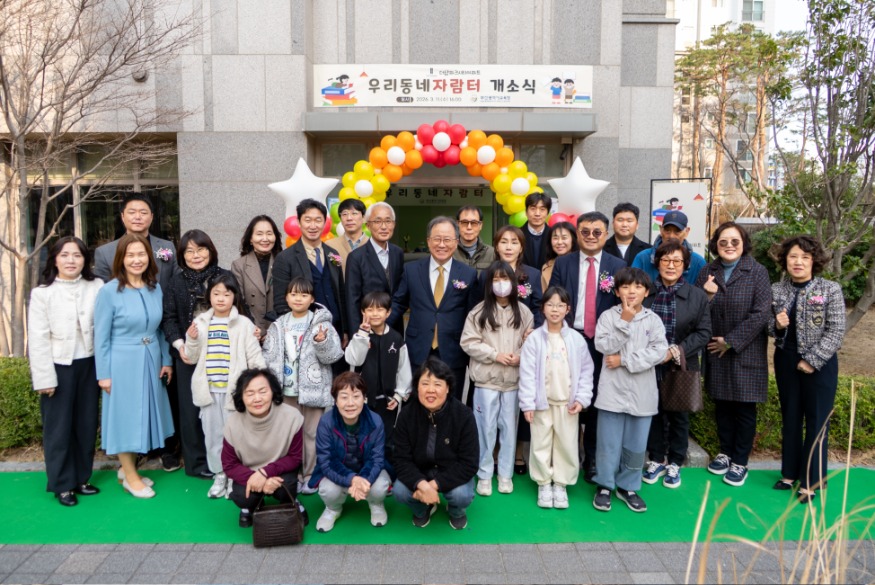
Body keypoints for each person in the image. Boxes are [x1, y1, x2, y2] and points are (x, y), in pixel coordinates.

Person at [93, 192, 181, 472]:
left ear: (152, 217)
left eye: (144, 212)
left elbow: (169, 297)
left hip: (153, 346)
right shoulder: (107, 271)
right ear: (122, 217)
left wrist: (166, 357)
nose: (138, 216)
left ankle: (162, 450)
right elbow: (101, 333)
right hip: (123, 352)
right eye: (132, 211)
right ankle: (131, 465)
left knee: (154, 404)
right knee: (127, 411)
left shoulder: (163, 260)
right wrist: (103, 373)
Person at [548, 211, 626, 483]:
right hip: (569, 337)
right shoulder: (564, 262)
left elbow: (622, 303)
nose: (591, 237)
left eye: (597, 232)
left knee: (596, 401)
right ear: (577, 234)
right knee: (566, 396)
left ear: (606, 234)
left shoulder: (617, 265)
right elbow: (554, 299)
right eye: (585, 232)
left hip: (602, 342)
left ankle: (592, 459)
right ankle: (564, 456)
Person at [28, 237, 104, 507]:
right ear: (55, 260)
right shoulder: (43, 293)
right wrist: (44, 378)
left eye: (77, 255)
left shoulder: (97, 286)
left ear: (85, 260)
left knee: (86, 424)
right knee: (58, 428)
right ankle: (62, 484)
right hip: (58, 366)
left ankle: (82, 478)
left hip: (90, 364)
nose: (71, 260)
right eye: (64, 255)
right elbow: (38, 339)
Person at [770, 235, 845, 504]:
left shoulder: (830, 289)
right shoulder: (777, 290)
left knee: (816, 422)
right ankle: (789, 474)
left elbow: (836, 330)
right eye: (793, 256)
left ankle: (811, 481)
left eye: (805, 257)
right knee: (790, 417)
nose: (798, 262)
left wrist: (812, 360)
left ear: (815, 261)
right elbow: (767, 327)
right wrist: (777, 325)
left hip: (820, 365)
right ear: (785, 260)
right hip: (786, 361)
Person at [695, 222, 771, 488]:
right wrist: (707, 296)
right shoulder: (707, 271)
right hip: (715, 350)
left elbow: (761, 313)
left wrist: (731, 341)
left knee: (744, 408)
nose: (729, 246)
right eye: (723, 241)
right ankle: (725, 452)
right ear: (715, 244)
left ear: (743, 243)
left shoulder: (757, 272)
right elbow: (696, 308)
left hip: (745, 351)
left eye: (734, 241)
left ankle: (740, 461)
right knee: (723, 405)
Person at [184, 273, 266, 499]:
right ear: (209, 296)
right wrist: (191, 340)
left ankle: (235, 476)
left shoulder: (244, 324)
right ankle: (219, 474)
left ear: (234, 297)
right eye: (216, 293)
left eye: (227, 294)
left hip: (234, 393)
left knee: (236, 437)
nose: (221, 298)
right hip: (209, 391)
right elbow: (191, 357)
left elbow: (254, 356)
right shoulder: (200, 323)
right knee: (212, 436)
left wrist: (262, 384)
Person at [592, 267, 668, 513]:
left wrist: (624, 360)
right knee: (608, 443)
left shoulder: (653, 320)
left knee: (636, 446)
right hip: (612, 392)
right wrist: (624, 321)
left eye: (638, 286)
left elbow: (659, 352)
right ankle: (605, 485)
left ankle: (628, 487)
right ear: (616, 292)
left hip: (642, 393)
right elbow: (604, 346)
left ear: (646, 292)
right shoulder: (608, 317)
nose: (631, 291)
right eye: (625, 286)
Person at [263, 277, 344, 494]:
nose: (298, 299)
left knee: (312, 434)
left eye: (304, 294)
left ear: (312, 299)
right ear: (286, 298)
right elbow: (268, 357)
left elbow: (333, 356)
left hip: (313, 390)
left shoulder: (322, 323)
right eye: (294, 294)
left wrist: (321, 342)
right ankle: (294, 475)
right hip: (286, 390)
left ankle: (311, 475)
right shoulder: (278, 325)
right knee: (290, 434)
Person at [642, 241, 712, 489]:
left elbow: (704, 332)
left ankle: (675, 461)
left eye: (677, 261)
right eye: (665, 260)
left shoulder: (697, 296)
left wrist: (675, 351)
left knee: (679, 415)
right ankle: (656, 458)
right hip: (649, 364)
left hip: (681, 363)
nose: (670, 266)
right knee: (653, 412)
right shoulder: (646, 292)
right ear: (657, 263)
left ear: (685, 265)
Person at [461, 261, 534, 496]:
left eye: (505, 279)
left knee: (509, 430)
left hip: (513, 381)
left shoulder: (524, 312)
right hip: (486, 380)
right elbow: (468, 342)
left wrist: (519, 356)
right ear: (489, 283)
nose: (501, 284)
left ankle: (505, 474)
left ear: (513, 282)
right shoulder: (478, 312)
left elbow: (531, 343)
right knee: (485, 428)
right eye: (496, 279)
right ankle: (484, 474)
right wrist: (495, 355)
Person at [389, 216, 481, 399]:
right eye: (437, 239)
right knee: (416, 400)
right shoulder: (411, 270)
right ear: (428, 241)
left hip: (453, 349)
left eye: (447, 239)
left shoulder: (468, 274)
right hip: (418, 347)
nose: (442, 244)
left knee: (451, 402)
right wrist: (378, 329)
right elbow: (398, 303)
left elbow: (473, 313)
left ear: (456, 242)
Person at [518, 286, 593, 509]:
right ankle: (543, 483)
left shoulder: (576, 339)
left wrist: (581, 398)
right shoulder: (534, 339)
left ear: (567, 309)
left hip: (567, 404)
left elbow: (586, 371)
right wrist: (527, 404)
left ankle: (561, 484)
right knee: (540, 443)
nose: (555, 309)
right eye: (550, 305)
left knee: (567, 444)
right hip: (541, 403)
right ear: (542, 308)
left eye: (560, 305)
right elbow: (527, 373)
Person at [161, 229, 226, 479]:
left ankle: (225, 460)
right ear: (182, 255)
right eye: (189, 251)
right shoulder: (176, 282)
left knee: (221, 408)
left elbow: (239, 309)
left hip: (222, 353)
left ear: (211, 250)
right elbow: (169, 318)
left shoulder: (224, 277)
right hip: (188, 356)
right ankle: (197, 463)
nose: (196, 255)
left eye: (201, 249)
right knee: (190, 411)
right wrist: (180, 346)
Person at [392, 357, 479, 530]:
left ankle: (456, 511)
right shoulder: (406, 415)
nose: (430, 390)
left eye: (438, 384)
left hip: (450, 471)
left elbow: (469, 463)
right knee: (399, 491)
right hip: (420, 471)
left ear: (448, 388)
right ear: (417, 387)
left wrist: (432, 486)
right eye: (425, 384)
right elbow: (401, 460)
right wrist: (421, 484)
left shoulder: (464, 415)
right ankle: (423, 508)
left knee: (462, 495)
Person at [310, 372, 392, 532]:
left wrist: (363, 479)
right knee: (328, 490)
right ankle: (333, 509)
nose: (350, 403)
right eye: (344, 397)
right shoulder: (326, 422)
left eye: (356, 396)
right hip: (339, 471)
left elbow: (376, 459)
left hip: (367, 473)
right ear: (335, 400)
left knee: (380, 486)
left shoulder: (375, 421)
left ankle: (376, 504)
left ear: (364, 398)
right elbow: (326, 462)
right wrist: (352, 479)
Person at [222, 369, 304, 528]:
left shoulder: (292, 417)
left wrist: (265, 473)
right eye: (250, 393)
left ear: (272, 392)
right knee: (242, 496)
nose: (257, 398)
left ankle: (291, 501)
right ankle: (250, 507)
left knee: (288, 486)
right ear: (241, 396)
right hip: (249, 473)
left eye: (262, 391)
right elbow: (229, 465)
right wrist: (259, 480)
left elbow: (295, 457)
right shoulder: (232, 424)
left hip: (279, 471)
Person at [344, 291, 412, 469]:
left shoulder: (396, 339)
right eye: (370, 309)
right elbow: (353, 360)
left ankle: (385, 473)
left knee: (386, 438)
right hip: (363, 400)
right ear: (363, 312)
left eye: (380, 309)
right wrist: (362, 336)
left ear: (388, 313)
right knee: (361, 436)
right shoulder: (360, 337)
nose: (375, 314)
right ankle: (361, 471)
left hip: (387, 401)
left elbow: (404, 370)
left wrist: (399, 395)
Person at [273, 199, 348, 344]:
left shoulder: (333, 254)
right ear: (299, 223)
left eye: (318, 220)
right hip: (304, 334)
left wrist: (345, 330)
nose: (313, 226)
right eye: (307, 220)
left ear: (325, 223)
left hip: (335, 329)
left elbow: (341, 294)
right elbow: (280, 303)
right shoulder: (285, 258)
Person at [345, 202, 404, 333]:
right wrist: (357, 334)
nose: (384, 227)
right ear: (368, 225)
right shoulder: (356, 257)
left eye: (388, 221)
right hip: (368, 328)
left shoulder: (398, 252)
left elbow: (399, 291)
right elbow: (352, 300)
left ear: (394, 224)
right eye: (377, 221)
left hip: (394, 328)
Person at [231, 215, 282, 341]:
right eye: (259, 234)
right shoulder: (239, 265)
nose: (265, 239)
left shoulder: (283, 262)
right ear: (250, 239)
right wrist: (254, 328)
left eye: (269, 233)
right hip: (251, 333)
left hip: (279, 332)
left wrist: (274, 331)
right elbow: (239, 302)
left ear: (275, 237)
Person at [632, 210, 706, 285]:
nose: (671, 236)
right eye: (667, 231)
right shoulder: (643, 258)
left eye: (677, 231)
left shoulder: (698, 262)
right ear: (661, 230)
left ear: (687, 231)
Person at [493, 225, 543, 327]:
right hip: (494, 329)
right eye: (504, 242)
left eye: (514, 243)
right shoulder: (486, 274)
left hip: (524, 330)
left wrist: (534, 330)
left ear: (521, 248)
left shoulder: (533, 274)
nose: (508, 247)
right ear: (497, 247)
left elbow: (537, 309)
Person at [326, 198, 368, 273]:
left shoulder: (374, 245)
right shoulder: (330, 245)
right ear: (340, 219)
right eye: (344, 214)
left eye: (354, 213)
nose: (349, 218)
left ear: (364, 218)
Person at [453, 205, 495, 272]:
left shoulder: (492, 253)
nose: (469, 227)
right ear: (458, 224)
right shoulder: (450, 252)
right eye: (464, 222)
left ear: (480, 225)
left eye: (474, 223)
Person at [540, 221, 578, 292]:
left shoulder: (581, 263)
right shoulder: (547, 266)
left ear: (573, 240)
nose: (559, 242)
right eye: (555, 238)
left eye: (564, 238)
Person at [520, 192, 552, 271]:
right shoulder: (517, 235)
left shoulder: (553, 235)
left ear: (547, 213)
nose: (537, 214)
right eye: (533, 209)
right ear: (526, 212)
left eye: (542, 209)